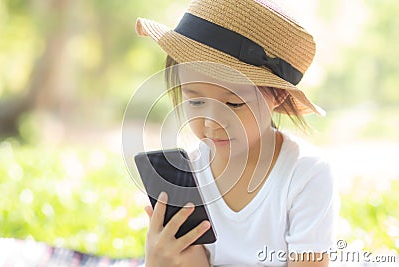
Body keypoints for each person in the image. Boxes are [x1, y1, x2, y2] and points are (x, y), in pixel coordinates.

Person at [135, 0, 339, 266]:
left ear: (277, 95)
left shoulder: (306, 175)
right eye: (195, 102)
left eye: (233, 104)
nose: (211, 124)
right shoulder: (189, 177)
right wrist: (157, 260)